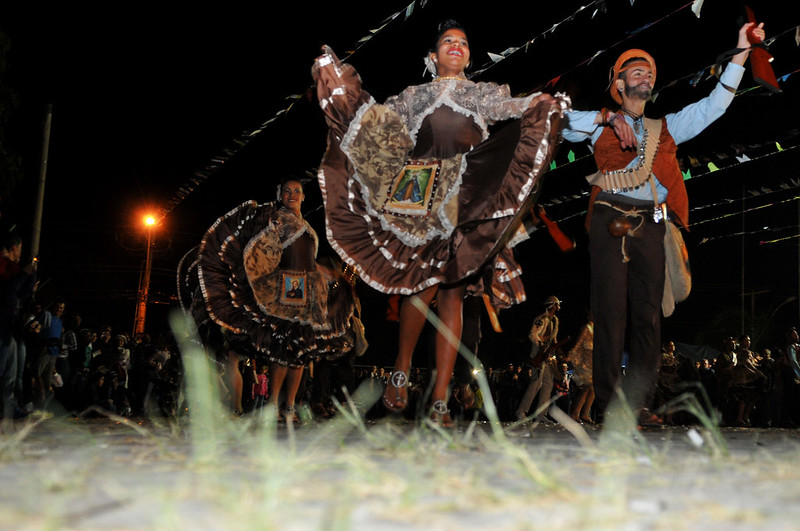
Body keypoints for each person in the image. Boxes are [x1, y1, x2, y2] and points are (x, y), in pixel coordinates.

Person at [313, 19, 566, 426]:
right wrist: (341, 86)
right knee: (424, 284)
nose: (456, 46)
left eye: (463, 43)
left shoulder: (484, 93)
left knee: (453, 292)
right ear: (432, 57)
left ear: (468, 55)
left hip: (466, 195)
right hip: (421, 191)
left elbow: (513, 108)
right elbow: (374, 119)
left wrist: (541, 104)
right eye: (448, 41)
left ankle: (441, 396)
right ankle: (400, 368)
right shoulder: (413, 96)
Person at [561, 21, 766, 426]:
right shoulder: (596, 125)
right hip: (608, 220)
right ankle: (609, 404)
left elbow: (715, 106)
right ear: (618, 84)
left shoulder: (666, 128)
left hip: (652, 224)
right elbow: (561, 121)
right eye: (636, 71)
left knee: (647, 317)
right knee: (609, 313)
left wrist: (741, 50)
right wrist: (605, 118)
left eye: (649, 72)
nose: (646, 75)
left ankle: (638, 403)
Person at [181, 178, 357, 423]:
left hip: (308, 294)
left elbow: (307, 260)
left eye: (297, 191)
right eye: (287, 191)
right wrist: (264, 283)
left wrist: (323, 271)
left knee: (301, 354)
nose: (292, 195)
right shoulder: (275, 219)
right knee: (283, 350)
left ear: (304, 196)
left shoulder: (306, 226)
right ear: (279, 194)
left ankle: (290, 406)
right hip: (288, 291)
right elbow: (261, 252)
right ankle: (273, 404)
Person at [515, 295, 562, 422]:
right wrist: (541, 346)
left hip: (548, 356)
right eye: (556, 304)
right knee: (536, 383)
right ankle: (521, 411)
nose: (558, 307)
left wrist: (557, 352)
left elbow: (554, 339)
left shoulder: (555, 320)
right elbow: (532, 335)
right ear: (551, 306)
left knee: (548, 384)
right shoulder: (541, 319)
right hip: (538, 355)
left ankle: (541, 414)